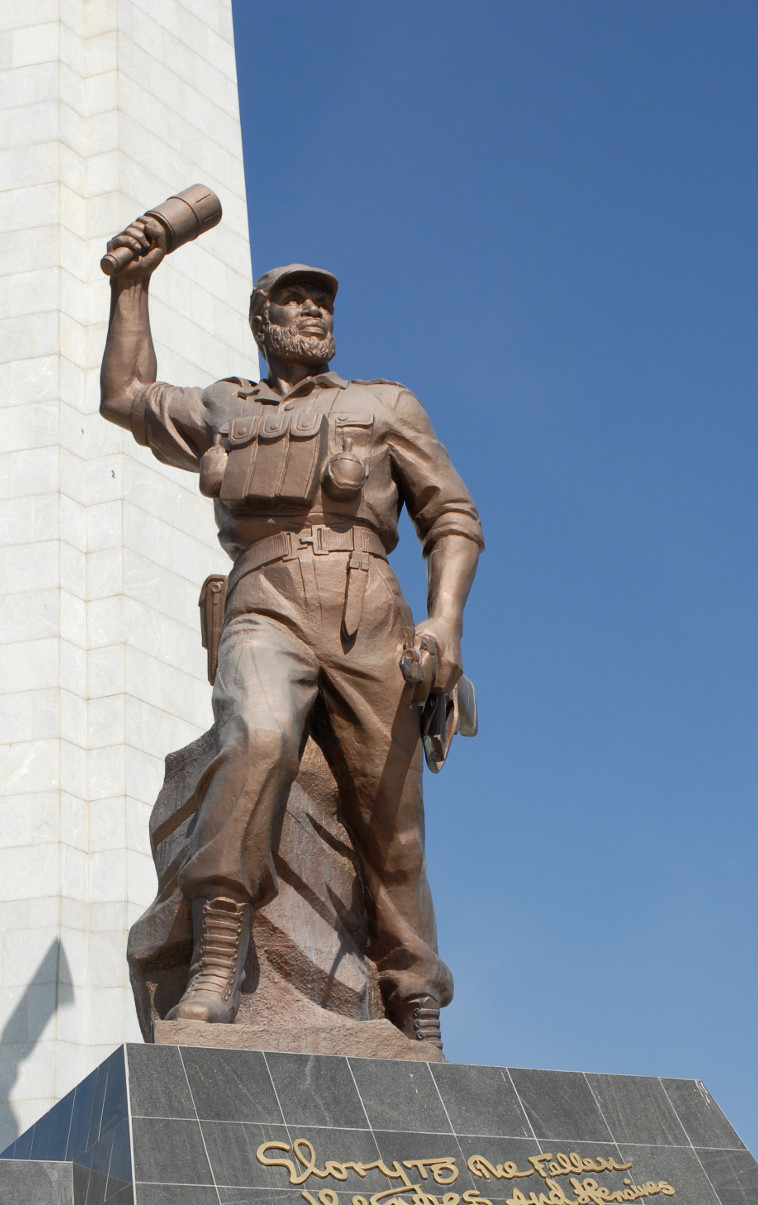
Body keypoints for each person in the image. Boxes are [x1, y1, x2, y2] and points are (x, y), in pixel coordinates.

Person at [99, 212, 484, 1055]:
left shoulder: (381, 404)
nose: (313, 313)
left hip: (366, 605)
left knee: (392, 821)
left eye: (322, 304)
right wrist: (133, 285)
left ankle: (411, 992)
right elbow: (125, 397)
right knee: (259, 735)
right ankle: (220, 957)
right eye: (294, 303)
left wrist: (445, 620)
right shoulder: (225, 407)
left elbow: (450, 514)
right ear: (261, 322)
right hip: (265, 594)